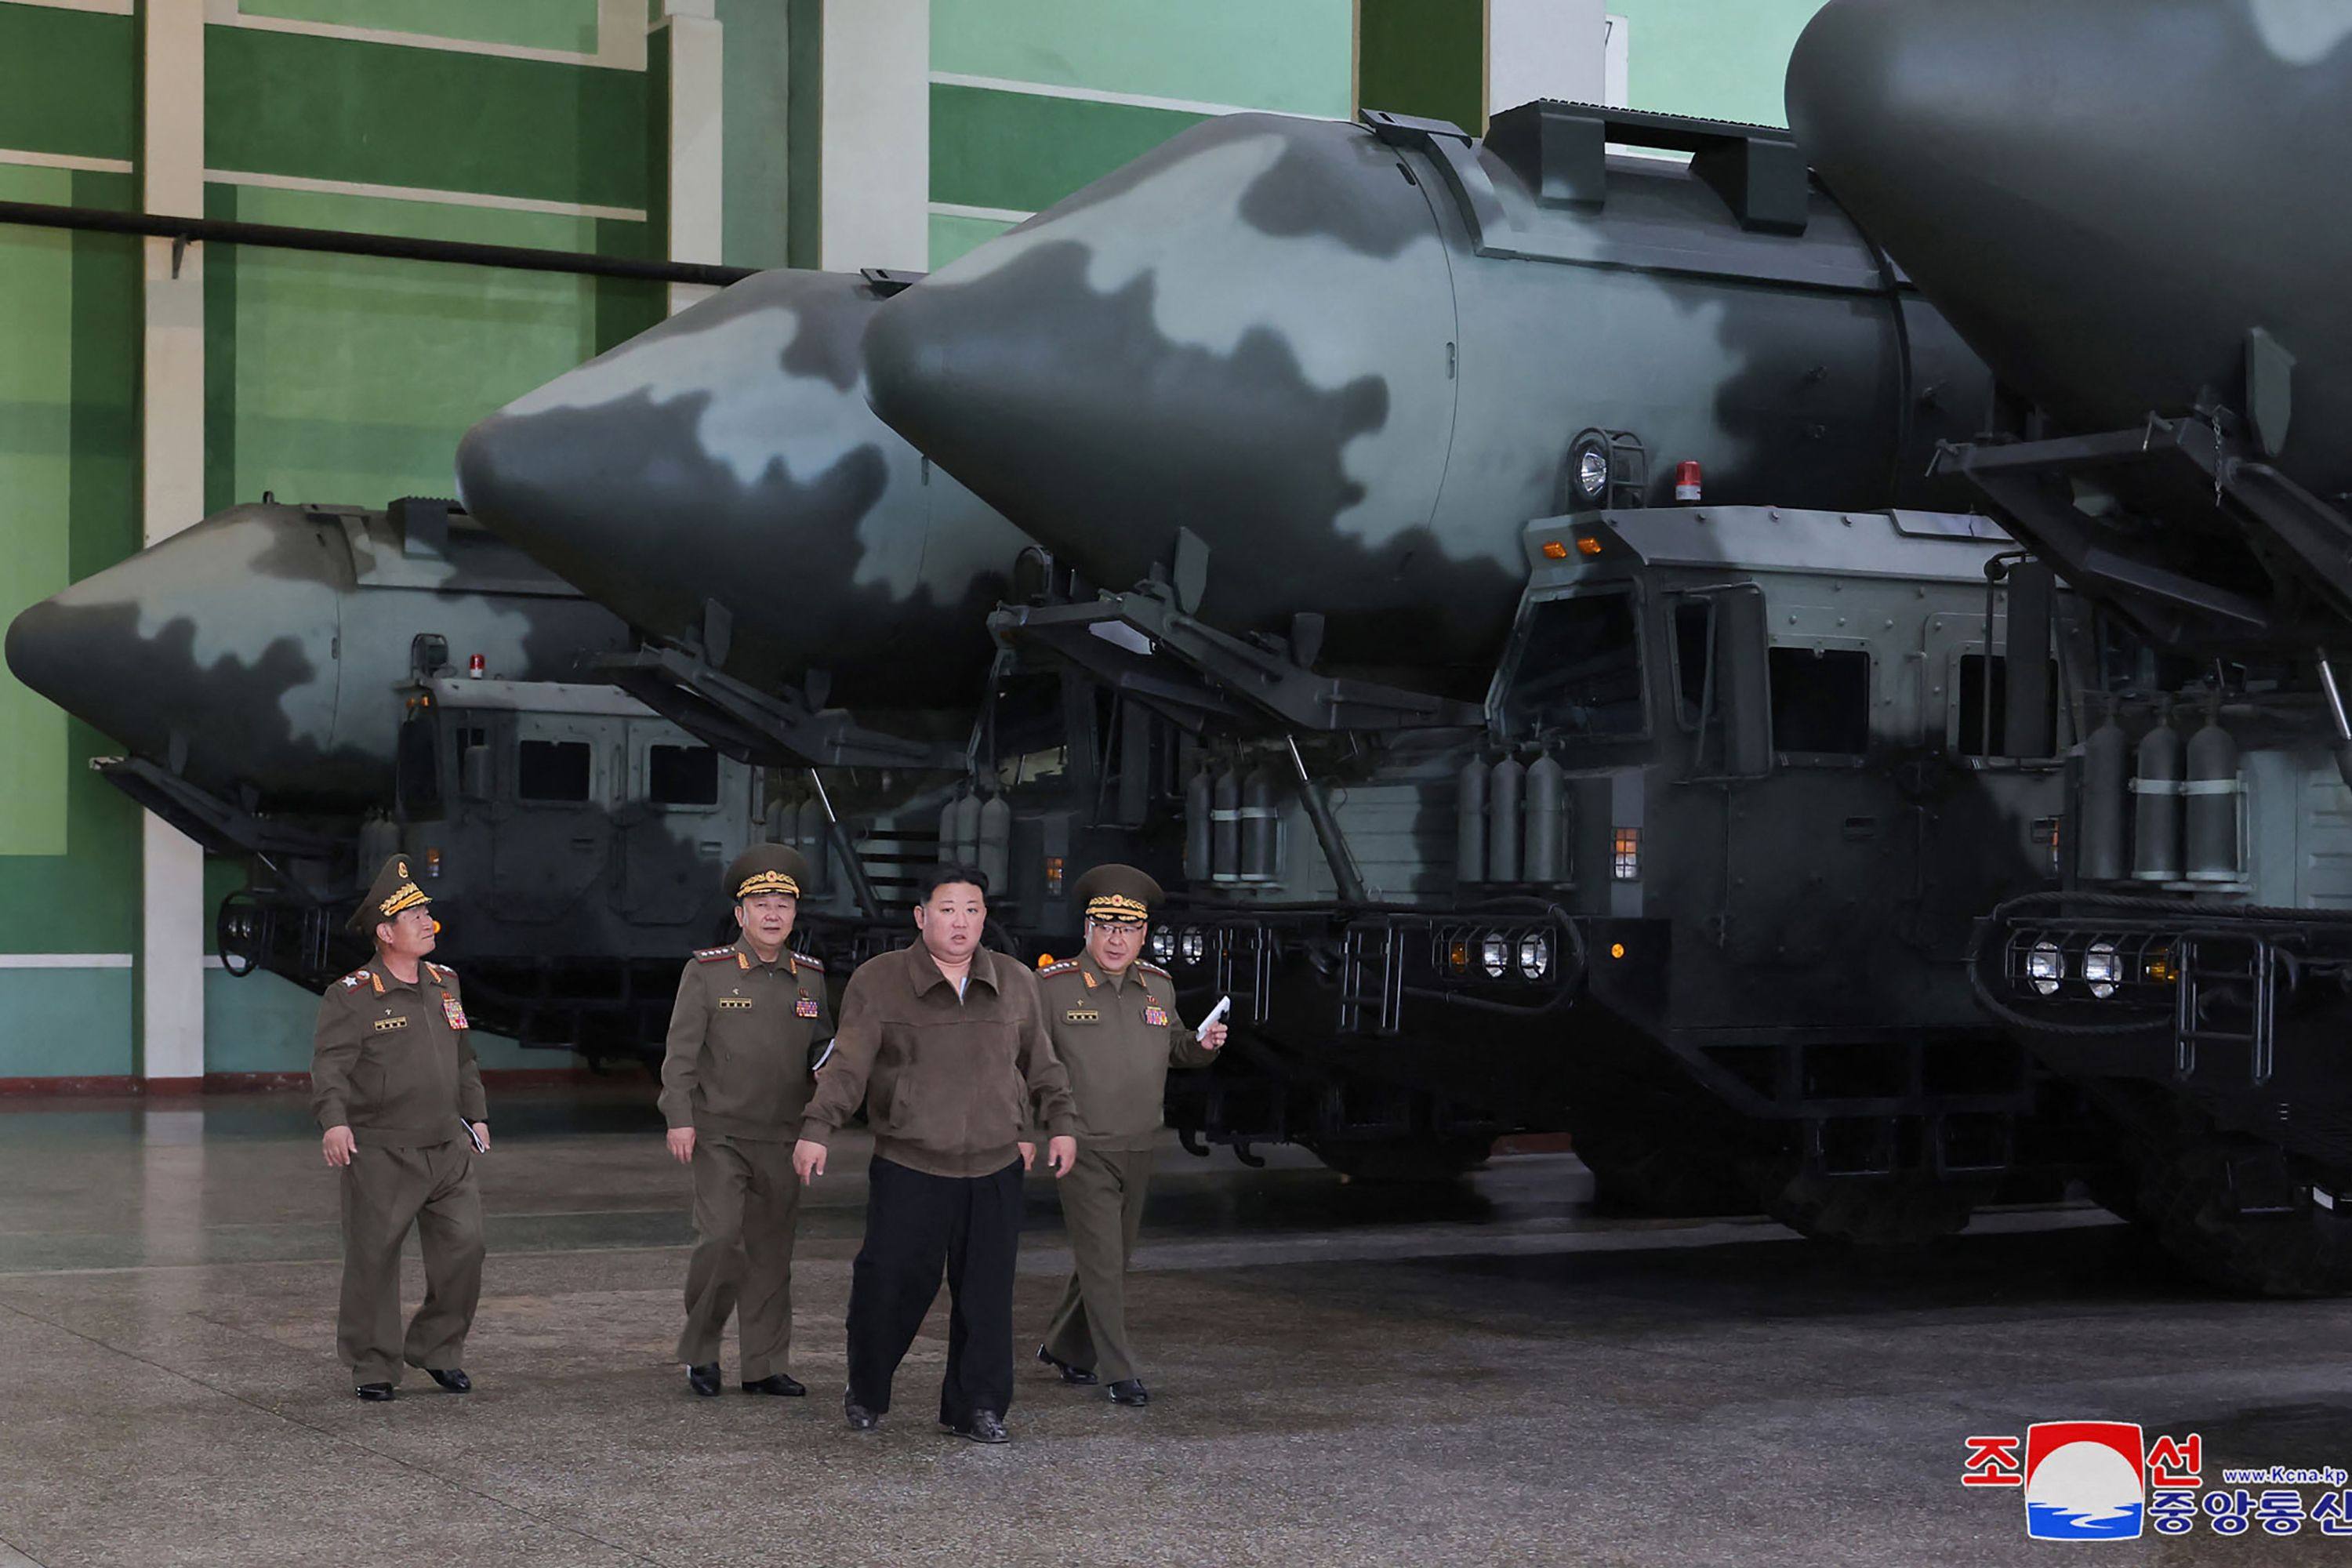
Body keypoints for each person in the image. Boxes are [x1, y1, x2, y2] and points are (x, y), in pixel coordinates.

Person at [793, 863, 1078, 1443]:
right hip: (911, 1165)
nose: (961, 922)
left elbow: (1041, 1062)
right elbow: (848, 1064)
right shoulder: (880, 981)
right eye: (948, 909)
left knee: (987, 1299)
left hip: (995, 1166)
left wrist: (1062, 1122)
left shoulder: (1018, 981)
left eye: (973, 910)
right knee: (890, 1286)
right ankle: (867, 1390)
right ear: (922, 917)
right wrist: (817, 1126)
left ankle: (977, 1407)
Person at [1033, 865, 1227, 1406]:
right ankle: (1119, 1373)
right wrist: (1036, 1128)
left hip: (1141, 1142)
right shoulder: (1052, 987)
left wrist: (1205, 1044)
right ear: (1087, 930)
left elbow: (1178, 1048)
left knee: (1111, 1260)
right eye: (1106, 926)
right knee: (1103, 1264)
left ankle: (1063, 1347)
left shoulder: (1158, 986)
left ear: (1143, 935)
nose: (1117, 938)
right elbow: (1023, 1061)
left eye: (1128, 928)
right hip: (1083, 1144)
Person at [310, 855, 488, 1402]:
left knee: (467, 1247)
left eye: (427, 913)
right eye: (415, 916)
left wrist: (476, 1114)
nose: (428, 923)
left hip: (447, 1147)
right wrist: (334, 1124)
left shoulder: (445, 981)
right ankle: (373, 1364)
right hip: (382, 1152)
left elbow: (464, 1059)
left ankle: (436, 1347)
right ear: (386, 932)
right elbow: (330, 1068)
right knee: (374, 1260)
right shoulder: (353, 995)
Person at [660, 844, 834, 1399]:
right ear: (741, 914)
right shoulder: (705, 973)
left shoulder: (809, 978)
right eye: (761, 903)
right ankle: (702, 1352)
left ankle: (763, 1365)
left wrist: (827, 1116)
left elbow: (825, 1053)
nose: (774, 913)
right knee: (720, 1241)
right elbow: (680, 1055)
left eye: (784, 903)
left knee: (771, 1254)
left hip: (783, 1136)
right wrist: (679, 1117)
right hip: (719, 1134)